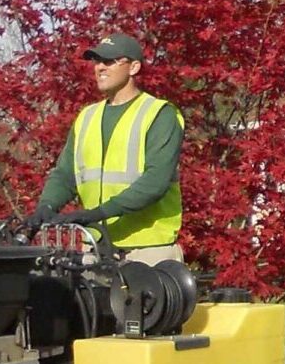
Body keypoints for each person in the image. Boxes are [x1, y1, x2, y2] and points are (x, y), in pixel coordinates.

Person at [24, 33, 186, 265]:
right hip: (96, 249)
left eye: (109, 61)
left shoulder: (159, 114)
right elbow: (65, 175)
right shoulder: (87, 117)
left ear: (134, 67)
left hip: (148, 251)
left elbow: (155, 182)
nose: (99, 67)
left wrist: (96, 213)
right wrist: (46, 206)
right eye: (97, 61)